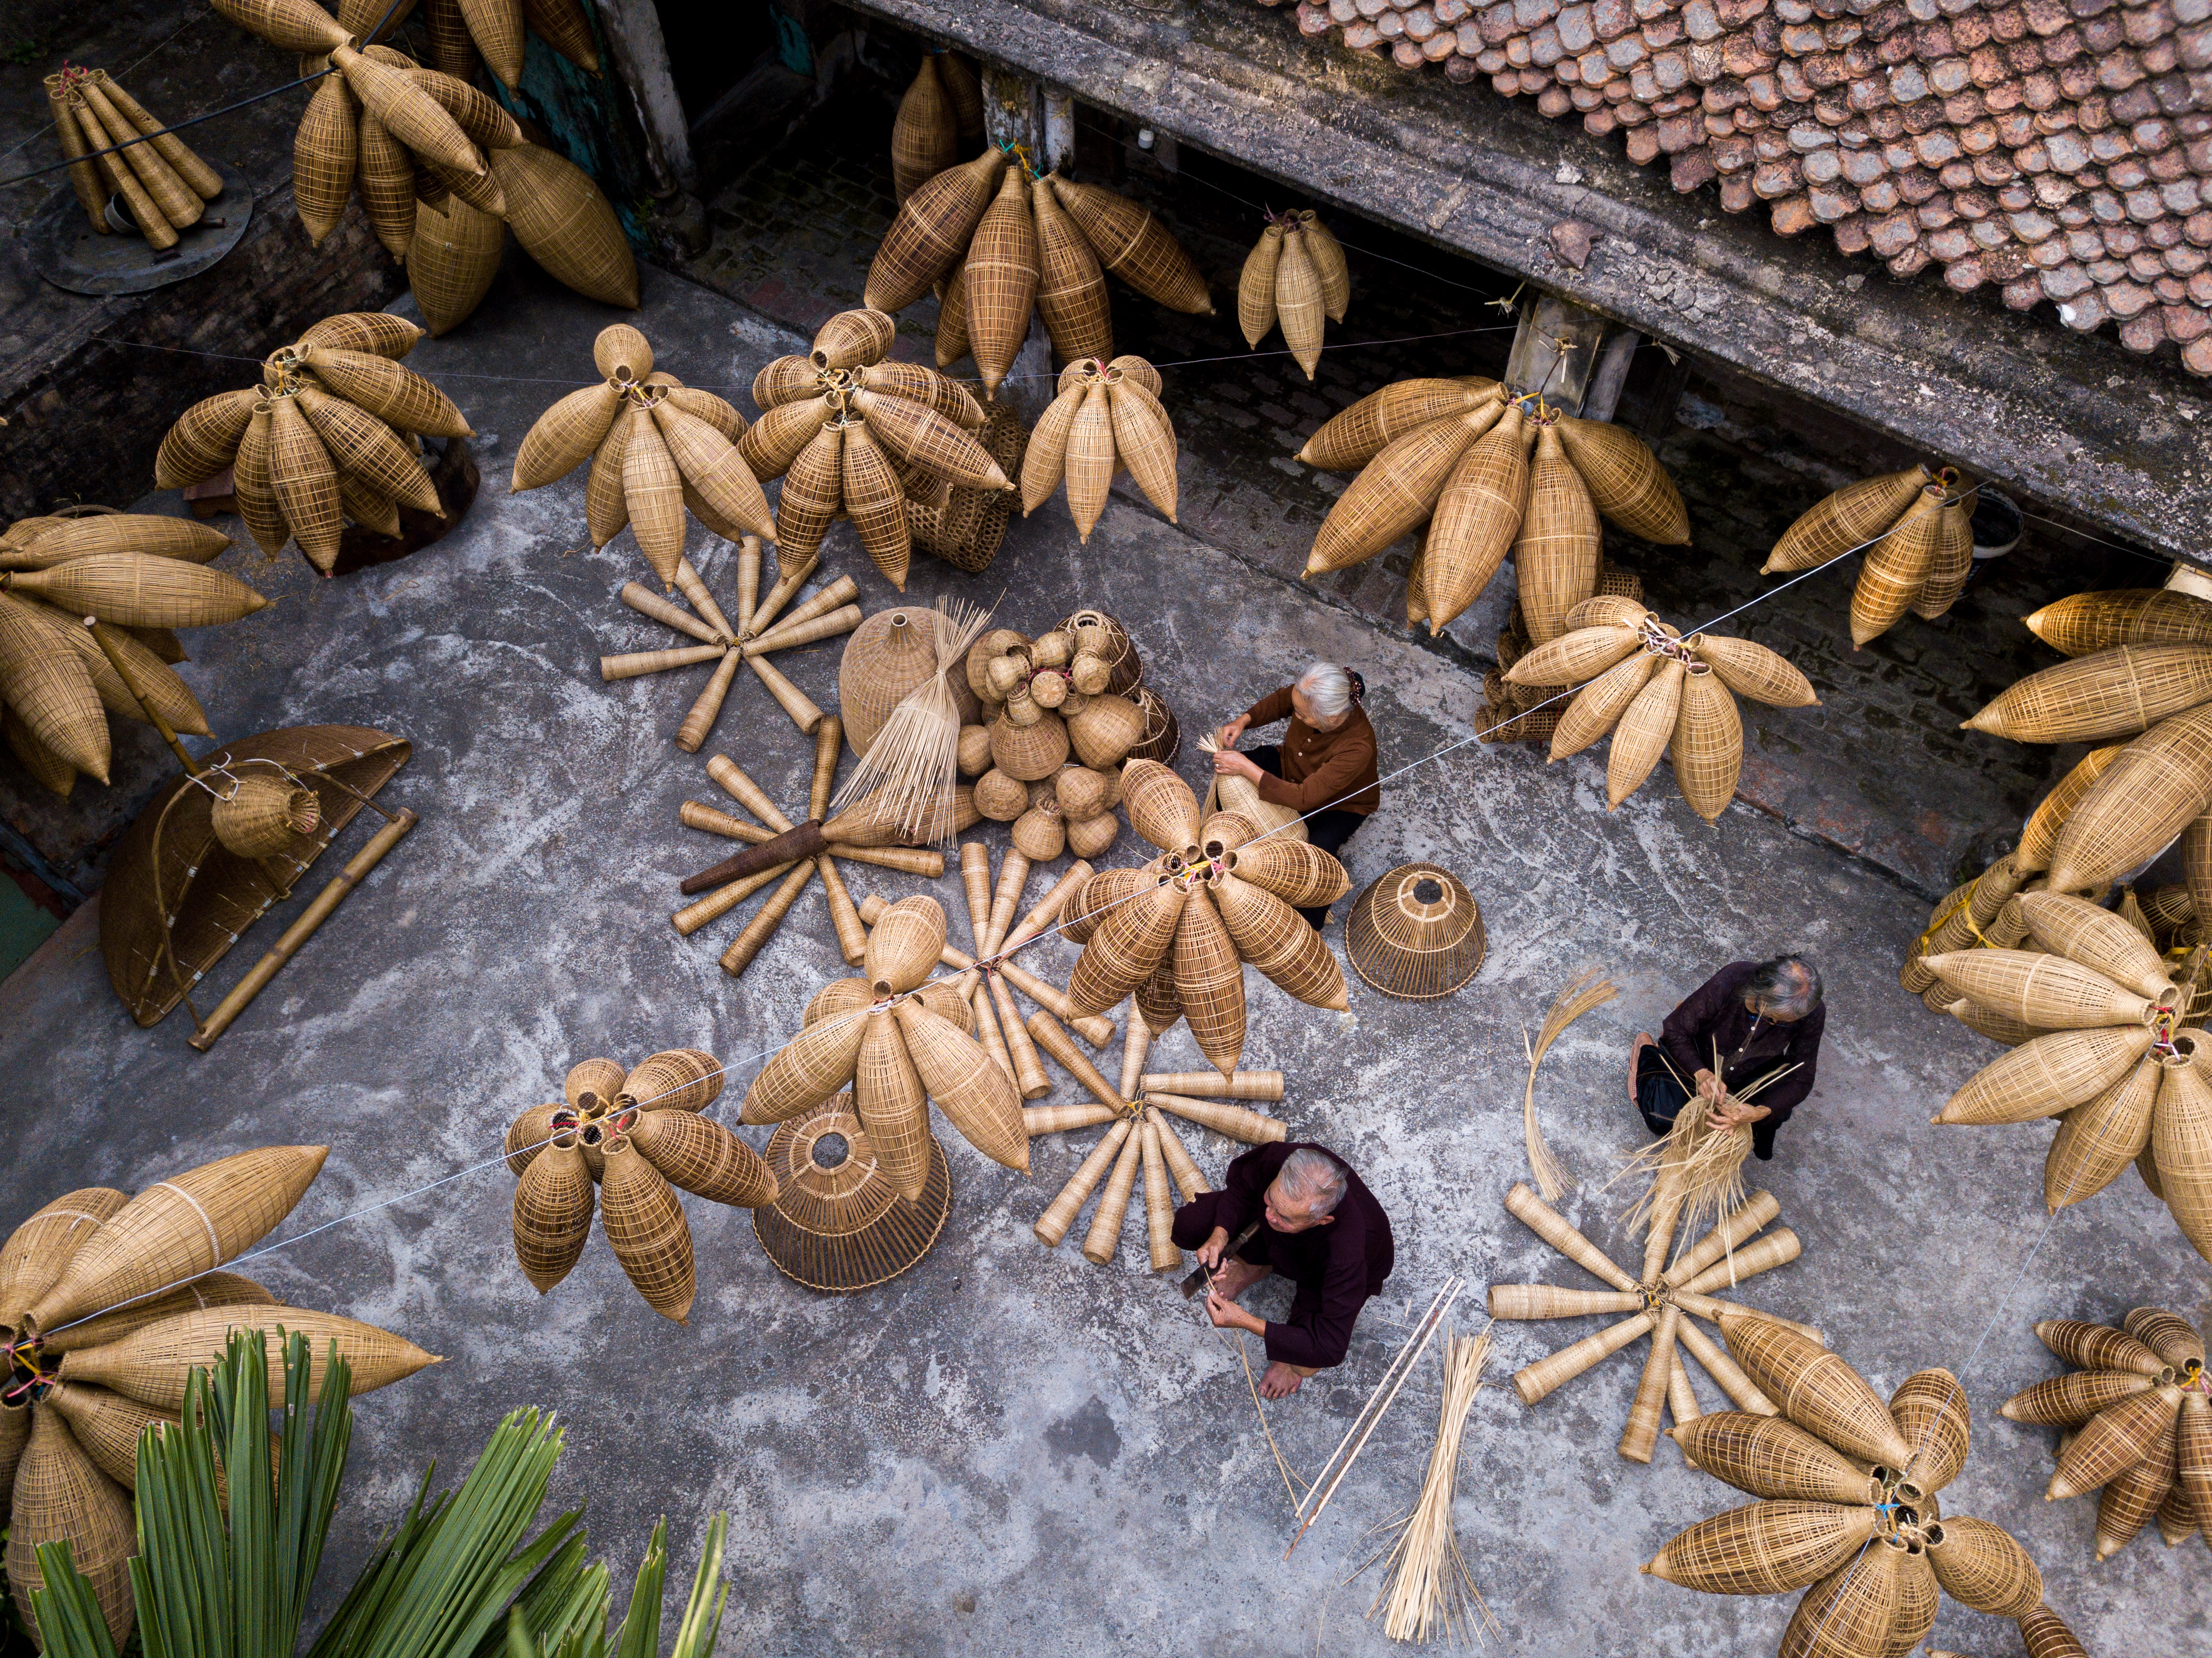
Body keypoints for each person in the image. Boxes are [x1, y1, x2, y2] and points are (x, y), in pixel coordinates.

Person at [1173, 1142, 1394, 1399]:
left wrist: (1247, 1322)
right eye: (1270, 1199)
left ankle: (1287, 1362)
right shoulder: (1282, 1159)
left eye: (1285, 1216)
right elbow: (1242, 1188)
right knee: (1190, 1225)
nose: (1268, 1215)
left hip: (1319, 1274)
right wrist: (1220, 1234)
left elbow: (1330, 1347)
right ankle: (1256, 1267)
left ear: (1321, 1220)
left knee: (1305, 1361)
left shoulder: (1350, 1251)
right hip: (1283, 1241)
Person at [1213, 662, 1380, 927]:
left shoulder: (1358, 747)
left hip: (1338, 805)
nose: (1296, 716)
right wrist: (1243, 721)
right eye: (1297, 711)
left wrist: (1247, 768)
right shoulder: (1309, 695)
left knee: (1316, 857)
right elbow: (1283, 700)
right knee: (1231, 773)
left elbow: (1304, 798)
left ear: (1333, 718)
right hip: (1289, 766)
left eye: (1303, 716)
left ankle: (1309, 923)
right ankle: (1236, 845)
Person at [1630, 955, 1825, 1161]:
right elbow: (1676, 1029)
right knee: (1662, 1118)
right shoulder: (1735, 978)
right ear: (1759, 988)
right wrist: (1702, 1074)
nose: (1774, 1024)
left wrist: (1759, 1112)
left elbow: (1800, 1078)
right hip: (1697, 1058)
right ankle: (1646, 1050)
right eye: (1769, 1017)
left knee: (1768, 1118)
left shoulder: (1810, 1011)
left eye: (1785, 1023)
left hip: (1750, 1071)